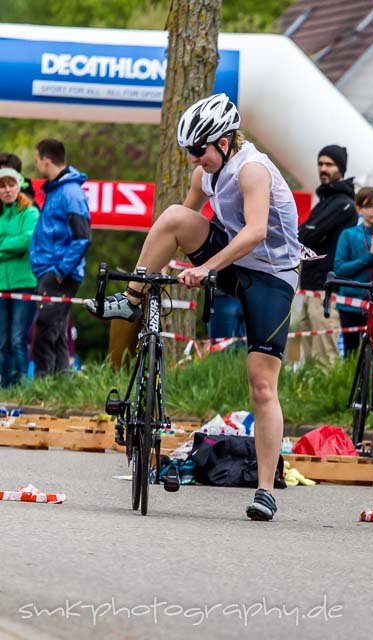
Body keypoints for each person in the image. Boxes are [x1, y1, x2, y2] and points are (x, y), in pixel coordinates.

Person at [84, 94, 300, 521]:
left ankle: (264, 491)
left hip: (272, 273)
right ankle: (130, 302)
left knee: (261, 385)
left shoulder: (251, 169)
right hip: (233, 257)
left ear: (224, 141)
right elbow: (185, 219)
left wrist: (206, 270)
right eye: (188, 152)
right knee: (172, 217)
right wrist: (168, 261)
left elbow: (256, 232)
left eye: (199, 151)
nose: (194, 159)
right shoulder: (208, 171)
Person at [31, 139, 91, 377]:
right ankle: (61, 386)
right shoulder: (56, 189)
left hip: (59, 275)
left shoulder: (71, 193)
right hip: (49, 272)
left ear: (46, 160)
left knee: (44, 333)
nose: (36, 165)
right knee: (55, 335)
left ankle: (42, 385)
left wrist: (59, 272)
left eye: (36, 160)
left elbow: (83, 237)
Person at [296, 144, 357, 361]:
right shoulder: (325, 201)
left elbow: (304, 236)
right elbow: (304, 235)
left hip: (327, 290)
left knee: (324, 358)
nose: (323, 168)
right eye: (320, 163)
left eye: (329, 164)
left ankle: (330, 395)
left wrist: (307, 233)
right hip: (310, 287)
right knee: (309, 359)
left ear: (340, 168)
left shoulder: (343, 204)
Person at [334, 186, 373, 357]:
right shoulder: (348, 235)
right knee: (351, 352)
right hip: (350, 303)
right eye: (370, 206)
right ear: (359, 209)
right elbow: (339, 269)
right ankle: (349, 383)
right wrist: (368, 257)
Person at [0, 167, 39, 386]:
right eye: (2, 186)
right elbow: (18, 244)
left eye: (11, 184)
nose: (7, 190)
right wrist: (10, 247)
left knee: (17, 339)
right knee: (2, 341)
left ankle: (22, 385)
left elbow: (26, 241)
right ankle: (5, 388)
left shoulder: (30, 212)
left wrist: (2, 246)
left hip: (24, 283)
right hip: (1, 284)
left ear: (18, 186)